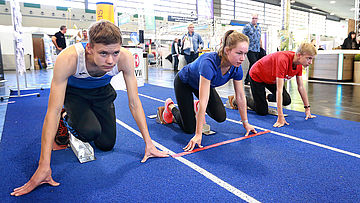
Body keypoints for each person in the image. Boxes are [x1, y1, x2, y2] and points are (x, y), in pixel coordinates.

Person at [11, 20, 168, 197]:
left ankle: (85, 118)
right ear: (89, 48)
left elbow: (134, 102)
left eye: (115, 53)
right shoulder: (69, 58)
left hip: (102, 94)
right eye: (103, 53)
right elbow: (52, 111)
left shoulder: (124, 57)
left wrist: (149, 143)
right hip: (75, 95)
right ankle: (67, 117)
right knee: (89, 132)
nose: (110, 60)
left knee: (107, 145)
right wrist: (43, 165)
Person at [159, 30, 257, 151]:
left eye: (245, 54)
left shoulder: (236, 68)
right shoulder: (209, 63)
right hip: (184, 82)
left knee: (220, 116)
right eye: (239, 53)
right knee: (189, 128)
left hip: (202, 85)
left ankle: (195, 107)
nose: (243, 58)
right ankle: (170, 107)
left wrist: (245, 123)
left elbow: (241, 97)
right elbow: (204, 100)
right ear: (227, 50)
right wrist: (198, 134)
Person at [244, 43, 317, 128]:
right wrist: (280, 116)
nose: (310, 62)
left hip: (271, 78)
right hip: (257, 75)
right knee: (262, 111)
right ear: (299, 55)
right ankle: (242, 100)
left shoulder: (299, 65)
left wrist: (307, 109)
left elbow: (301, 87)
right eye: (309, 58)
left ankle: (266, 97)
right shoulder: (283, 60)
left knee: (286, 100)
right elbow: (279, 90)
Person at [242, 14, 263, 85]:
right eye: (253, 18)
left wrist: (261, 47)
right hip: (250, 49)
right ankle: (251, 79)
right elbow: (243, 37)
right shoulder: (247, 27)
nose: (254, 20)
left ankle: (247, 79)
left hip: (257, 49)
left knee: (253, 64)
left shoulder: (259, 27)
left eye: (256, 18)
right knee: (254, 63)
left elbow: (260, 38)